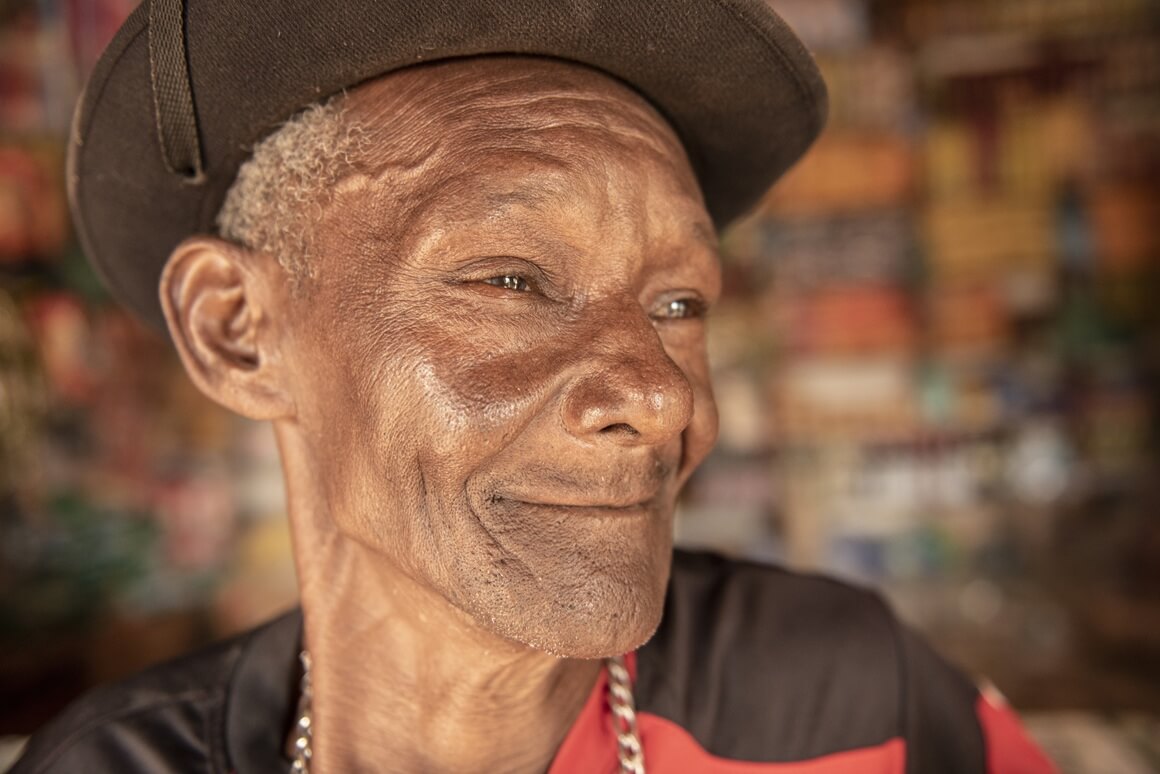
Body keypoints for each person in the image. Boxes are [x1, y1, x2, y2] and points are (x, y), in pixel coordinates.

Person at [14, 1, 1055, 772]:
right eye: (510, 280)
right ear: (239, 331)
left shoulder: (844, 703)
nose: (658, 397)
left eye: (679, 304)